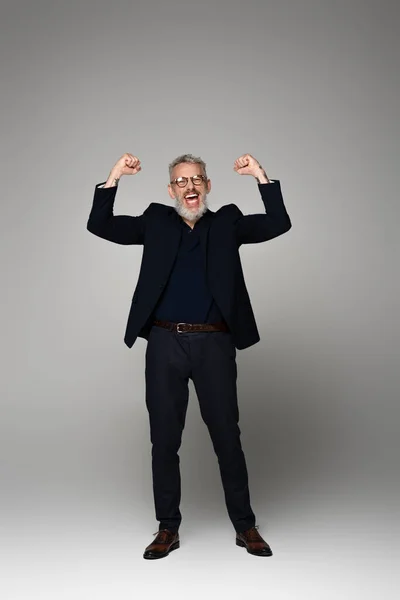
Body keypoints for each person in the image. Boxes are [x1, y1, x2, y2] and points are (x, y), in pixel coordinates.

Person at [87, 152, 292, 559]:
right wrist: (114, 177)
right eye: (182, 181)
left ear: (208, 186)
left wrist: (260, 176)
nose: (190, 187)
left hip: (214, 344)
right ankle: (168, 528)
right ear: (171, 190)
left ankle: (245, 526)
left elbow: (277, 223)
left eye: (197, 179)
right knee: (164, 439)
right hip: (165, 344)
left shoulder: (227, 223)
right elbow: (100, 225)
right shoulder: (157, 223)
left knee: (227, 437)